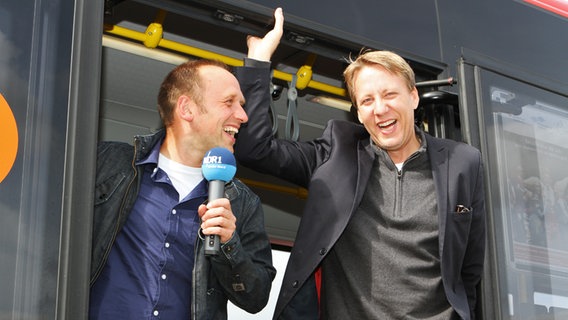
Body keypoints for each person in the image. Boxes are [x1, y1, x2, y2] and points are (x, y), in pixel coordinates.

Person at [235, 8, 486, 320]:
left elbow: (469, 271)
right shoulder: (335, 154)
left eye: (389, 94)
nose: (379, 109)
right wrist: (258, 63)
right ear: (356, 111)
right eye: (367, 101)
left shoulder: (463, 162)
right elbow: (254, 149)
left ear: (413, 97)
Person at [89, 57, 277, 318]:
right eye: (229, 102)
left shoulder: (241, 202)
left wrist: (229, 243)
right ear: (187, 109)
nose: (243, 116)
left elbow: (256, 297)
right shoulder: (106, 162)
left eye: (242, 106)